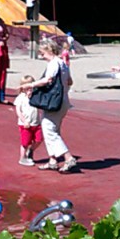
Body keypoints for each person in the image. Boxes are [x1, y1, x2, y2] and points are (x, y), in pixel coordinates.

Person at [30, 40, 77, 173]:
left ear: (49, 51)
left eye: (42, 53)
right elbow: (70, 81)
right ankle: (52, 160)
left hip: (54, 102)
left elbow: (47, 80)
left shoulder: (53, 63)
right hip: (63, 101)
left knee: (50, 131)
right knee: (51, 129)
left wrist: (31, 85)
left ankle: (68, 158)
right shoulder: (63, 63)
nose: (41, 56)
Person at [14, 76, 42, 166]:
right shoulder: (21, 98)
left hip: (36, 123)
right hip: (25, 124)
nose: (29, 89)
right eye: (26, 87)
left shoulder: (35, 96)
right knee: (25, 142)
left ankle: (31, 150)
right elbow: (18, 111)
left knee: (39, 139)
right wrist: (24, 120)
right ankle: (22, 158)